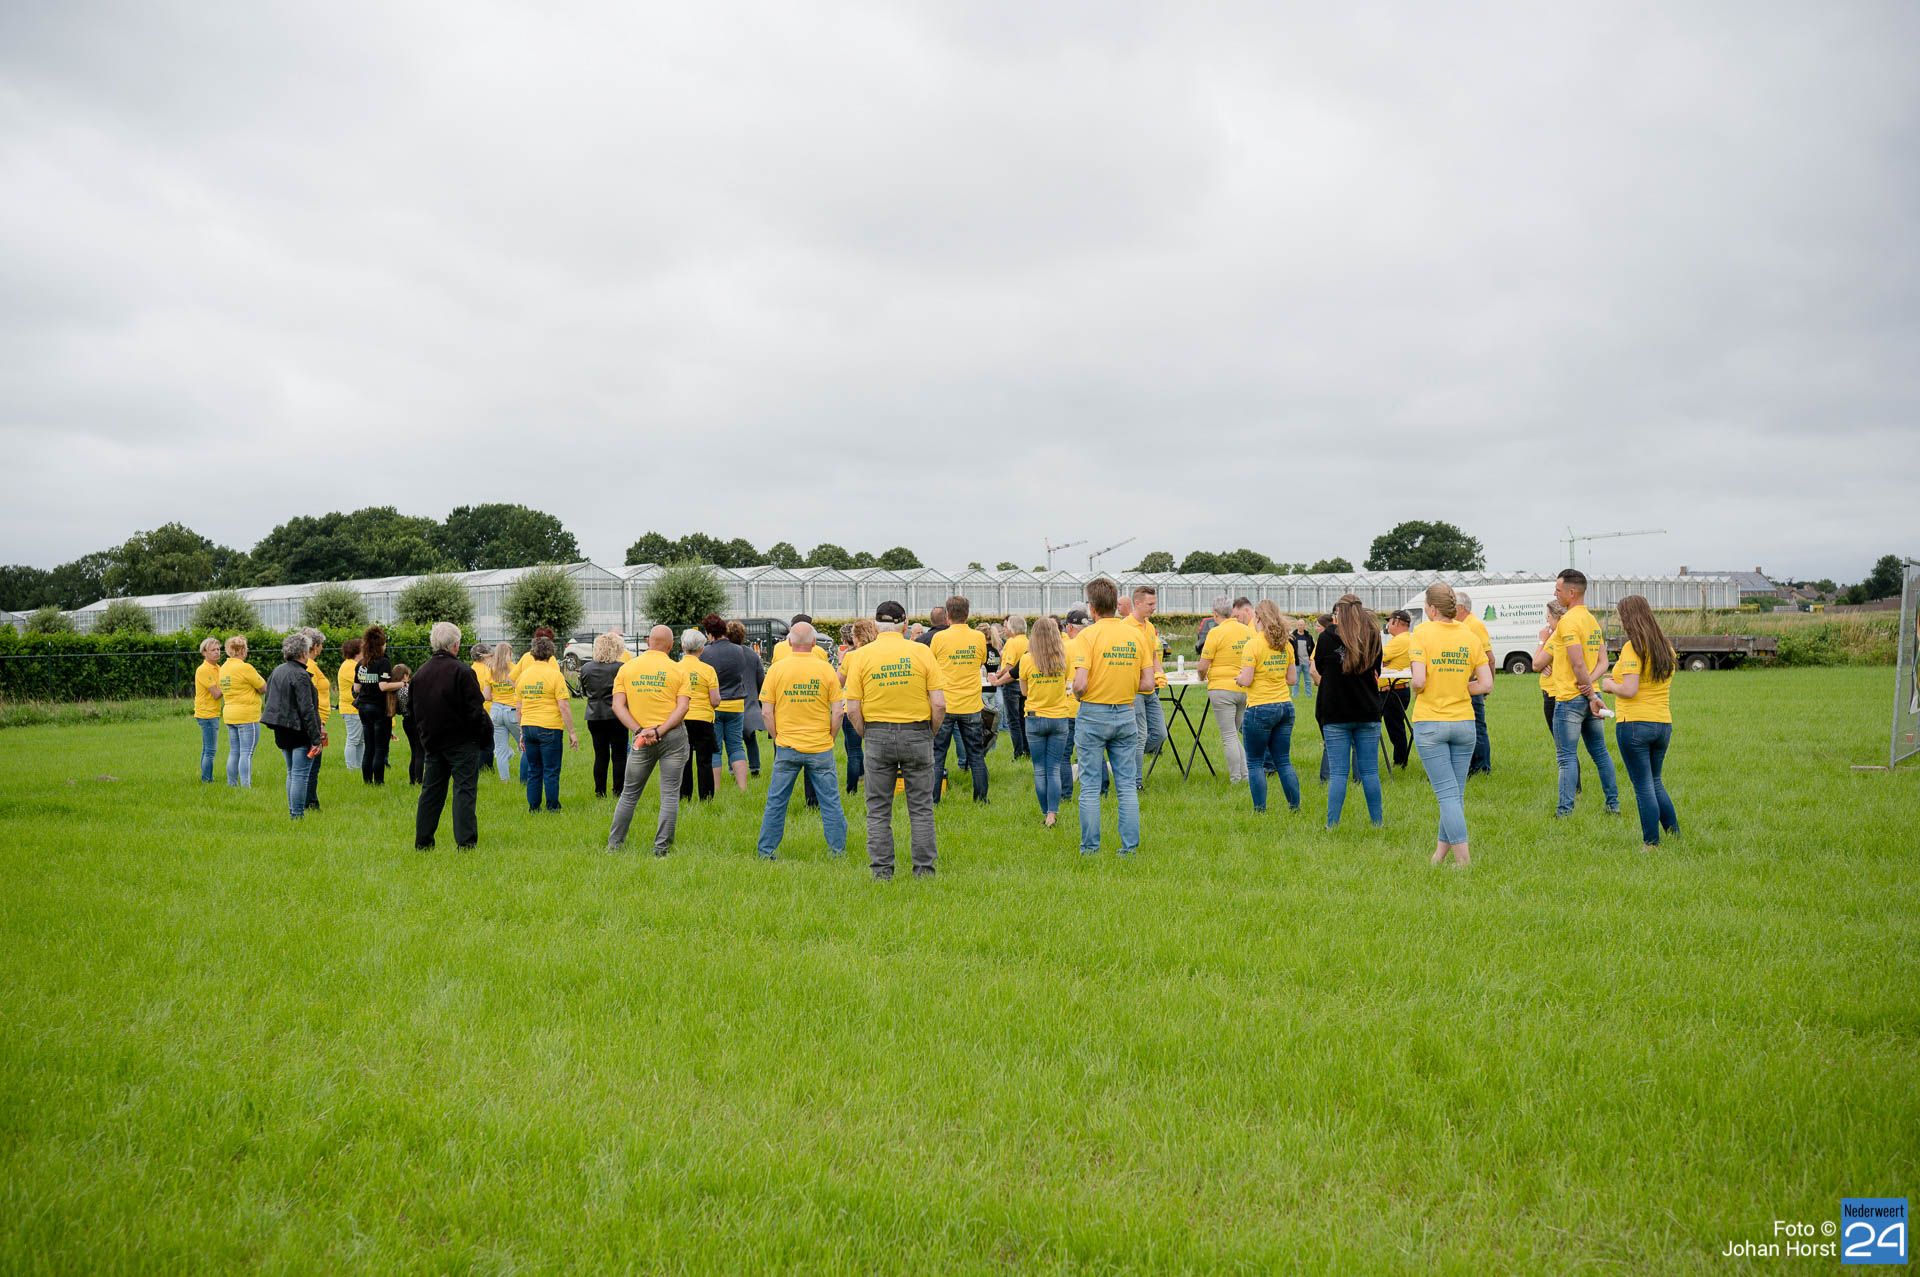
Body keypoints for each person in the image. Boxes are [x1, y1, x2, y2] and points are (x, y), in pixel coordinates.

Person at [843, 600, 944, 881]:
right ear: (905, 624)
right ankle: (924, 872)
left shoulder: (862, 656)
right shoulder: (921, 652)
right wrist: (930, 732)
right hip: (917, 731)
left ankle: (881, 872)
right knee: (921, 808)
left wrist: (866, 733)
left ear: (874, 626)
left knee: (877, 809)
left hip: (877, 733)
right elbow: (939, 703)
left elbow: (852, 708)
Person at [1410, 583, 1492, 867]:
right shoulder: (1470, 635)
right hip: (1464, 723)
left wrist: (1418, 688)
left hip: (1431, 722)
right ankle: (1439, 857)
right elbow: (1486, 684)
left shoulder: (1421, 633)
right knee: (1454, 794)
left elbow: (1418, 680)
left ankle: (1464, 862)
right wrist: (1460, 686)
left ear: (1432, 609)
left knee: (1447, 795)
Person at [1070, 578, 1154, 855]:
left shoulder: (1087, 636)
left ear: (1092, 608)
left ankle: (1090, 849)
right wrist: (1122, 682)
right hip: (1126, 712)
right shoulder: (1136, 635)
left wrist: (1079, 696)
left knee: (1090, 786)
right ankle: (1129, 849)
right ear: (1117, 606)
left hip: (1093, 714)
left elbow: (1080, 683)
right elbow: (1148, 683)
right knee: (1127, 786)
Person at [756, 622, 849, 860]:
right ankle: (837, 853)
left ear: (788, 643)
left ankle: (766, 852)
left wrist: (778, 737)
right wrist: (830, 737)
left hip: (787, 746)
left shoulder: (776, 669)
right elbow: (838, 712)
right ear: (814, 643)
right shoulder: (826, 670)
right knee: (830, 802)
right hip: (820, 747)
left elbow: (766, 712)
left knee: (776, 802)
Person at [1535, 568, 1620, 817]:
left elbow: (1577, 663)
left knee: (1566, 758)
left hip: (1570, 699)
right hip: (1591, 696)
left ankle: (1564, 812)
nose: (1555, 593)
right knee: (1600, 753)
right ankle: (1613, 805)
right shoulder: (1592, 621)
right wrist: (1591, 685)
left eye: (1558, 590)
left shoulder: (1568, 622)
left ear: (1571, 592)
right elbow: (1603, 662)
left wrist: (1587, 689)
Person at [1602, 594, 1680, 849]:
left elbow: (1630, 689)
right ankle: (1674, 836)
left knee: (1643, 786)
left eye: (1620, 616)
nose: (1619, 622)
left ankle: (1651, 844)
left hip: (1634, 724)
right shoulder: (1665, 647)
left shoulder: (1632, 647)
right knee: (1655, 781)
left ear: (1628, 618)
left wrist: (1609, 686)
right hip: (1662, 724)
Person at [606, 625, 692, 855]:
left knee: (629, 794)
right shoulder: (678, 670)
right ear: (671, 645)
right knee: (670, 795)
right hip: (672, 737)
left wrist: (640, 730)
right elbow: (683, 707)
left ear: (647, 642)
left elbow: (617, 706)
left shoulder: (627, 668)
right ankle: (661, 849)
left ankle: (614, 846)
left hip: (641, 739)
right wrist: (660, 731)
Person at [412, 621, 490, 851]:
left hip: (433, 742)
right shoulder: (463, 672)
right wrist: (482, 736)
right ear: (456, 645)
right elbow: (475, 710)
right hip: (462, 742)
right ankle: (465, 843)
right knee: (464, 791)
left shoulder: (420, 673)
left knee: (431, 792)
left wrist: (425, 736)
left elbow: (415, 710)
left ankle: (423, 842)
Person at [1315, 595, 1386, 829]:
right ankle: (1377, 823)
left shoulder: (1326, 637)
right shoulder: (1372, 635)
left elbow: (1320, 668)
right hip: (1368, 710)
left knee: (1338, 773)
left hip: (1335, 712)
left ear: (1338, 613)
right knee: (1370, 772)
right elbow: (1377, 669)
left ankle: (1332, 825)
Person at [1237, 600, 1302, 815]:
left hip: (1260, 707)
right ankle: (1294, 807)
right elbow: (1292, 680)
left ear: (1257, 618)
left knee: (1255, 762)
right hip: (1285, 706)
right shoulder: (1286, 644)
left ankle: (1260, 810)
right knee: (1283, 761)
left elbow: (1246, 679)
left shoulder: (1253, 644)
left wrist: (1239, 678)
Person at [930, 595, 989, 803]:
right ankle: (981, 799)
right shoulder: (978, 637)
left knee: (938, 754)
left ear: (947, 615)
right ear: (967, 614)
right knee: (976, 754)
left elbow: (932, 666)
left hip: (945, 704)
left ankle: (933, 799)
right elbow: (981, 661)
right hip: (971, 704)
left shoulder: (939, 638)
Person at [260, 631, 325, 820]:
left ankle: (293, 811)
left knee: (292, 772)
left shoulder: (277, 671)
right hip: (299, 730)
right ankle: (297, 815)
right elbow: (307, 709)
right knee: (300, 775)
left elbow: (269, 698)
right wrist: (316, 739)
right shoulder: (301, 675)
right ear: (304, 653)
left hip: (281, 728)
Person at [1016, 616, 1074, 826]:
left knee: (1040, 769)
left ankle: (1045, 812)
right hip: (1059, 717)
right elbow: (1067, 683)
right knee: (1054, 768)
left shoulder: (1026, 660)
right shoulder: (1063, 658)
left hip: (1035, 718)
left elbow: (1024, 691)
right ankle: (1052, 813)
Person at [514, 633, 577, 812]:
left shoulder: (523, 676)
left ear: (532, 653)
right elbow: (563, 705)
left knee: (534, 770)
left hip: (528, 726)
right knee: (551, 770)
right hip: (550, 727)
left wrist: (521, 731)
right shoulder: (555, 675)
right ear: (551, 653)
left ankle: (534, 807)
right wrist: (572, 732)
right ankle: (552, 807)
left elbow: (519, 706)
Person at [1196, 596, 1254, 784]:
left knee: (1229, 736)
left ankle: (1236, 778)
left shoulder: (1215, 633)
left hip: (1222, 689)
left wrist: (1202, 677)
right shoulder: (1247, 631)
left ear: (1215, 614)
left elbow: (1202, 666)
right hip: (1243, 688)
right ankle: (1246, 775)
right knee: (1234, 734)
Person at [700, 615, 754, 792]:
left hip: (714, 705)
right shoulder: (739, 650)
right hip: (736, 704)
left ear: (710, 634)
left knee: (715, 749)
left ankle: (715, 788)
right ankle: (743, 788)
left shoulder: (705, 653)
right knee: (736, 746)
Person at [578, 632, 629, 799]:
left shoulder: (586, 668)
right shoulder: (621, 668)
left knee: (600, 755)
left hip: (594, 715)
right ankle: (618, 791)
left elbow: (584, 691)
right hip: (617, 715)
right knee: (619, 755)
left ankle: (600, 791)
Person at [352, 626, 403, 786]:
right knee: (380, 748)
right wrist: (403, 683)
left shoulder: (361, 663)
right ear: (381, 644)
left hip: (363, 708)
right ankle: (379, 782)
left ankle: (367, 781)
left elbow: (356, 688)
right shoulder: (383, 662)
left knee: (369, 747)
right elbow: (383, 686)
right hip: (379, 708)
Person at [1128, 586, 1169, 785]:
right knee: (1140, 735)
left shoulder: (1150, 627)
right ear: (1137, 603)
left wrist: (1159, 673)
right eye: (1150, 604)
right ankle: (1136, 783)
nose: (1154, 607)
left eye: (1155, 603)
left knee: (1161, 733)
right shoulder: (1126, 627)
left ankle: (1124, 757)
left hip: (1150, 689)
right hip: (1135, 689)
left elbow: (1153, 657)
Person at [677, 629, 723, 802]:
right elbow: (715, 700)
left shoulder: (675, 668)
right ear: (702, 649)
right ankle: (706, 798)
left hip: (680, 718)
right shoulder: (708, 670)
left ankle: (684, 796)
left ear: (683, 647)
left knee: (684, 760)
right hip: (703, 719)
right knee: (705, 761)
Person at [1454, 589, 1495, 777]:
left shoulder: (1474, 625)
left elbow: (1489, 657)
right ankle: (1472, 764)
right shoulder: (1461, 625)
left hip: (1474, 682)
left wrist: (1486, 684)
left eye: (1453, 606)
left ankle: (1482, 767)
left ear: (1461, 608)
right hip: (1464, 682)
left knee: (1477, 725)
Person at [835, 619, 878, 794]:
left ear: (857, 636)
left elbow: (839, 681)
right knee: (874, 750)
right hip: (873, 706)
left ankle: (851, 789)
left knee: (853, 750)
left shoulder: (851, 656)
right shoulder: (877, 653)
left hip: (851, 706)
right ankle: (872, 784)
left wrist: (840, 661)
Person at [218, 634, 265, 788]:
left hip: (230, 714)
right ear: (243, 650)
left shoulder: (223, 668)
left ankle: (232, 784)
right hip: (247, 715)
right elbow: (263, 687)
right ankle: (246, 785)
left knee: (234, 751)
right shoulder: (245, 667)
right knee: (247, 752)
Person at [729, 620, 766, 775]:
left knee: (732, 739)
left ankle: (733, 769)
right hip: (750, 701)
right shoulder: (752, 654)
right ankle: (754, 767)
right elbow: (761, 679)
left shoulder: (725, 654)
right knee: (750, 737)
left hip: (731, 700)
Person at [298, 629, 330, 810]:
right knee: (311, 765)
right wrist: (320, 724)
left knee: (311, 765)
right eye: (321, 645)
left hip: (316, 720)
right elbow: (309, 699)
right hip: (314, 721)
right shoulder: (309, 667)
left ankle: (309, 799)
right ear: (315, 646)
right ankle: (309, 801)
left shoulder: (311, 665)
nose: (322, 648)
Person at [1378, 610, 1414, 770]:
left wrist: (1383, 663)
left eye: (1389, 621)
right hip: (1399, 689)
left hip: (1392, 691)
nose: (1388, 625)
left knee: (1395, 729)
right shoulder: (1407, 639)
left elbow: (1378, 658)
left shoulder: (1399, 641)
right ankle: (1400, 760)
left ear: (1396, 622)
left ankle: (1400, 761)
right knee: (1396, 726)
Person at [481, 641, 520, 782]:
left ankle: (505, 781)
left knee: (500, 750)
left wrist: (498, 696)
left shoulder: (491, 671)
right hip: (512, 711)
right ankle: (526, 778)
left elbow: (486, 696)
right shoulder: (515, 669)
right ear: (509, 654)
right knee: (524, 746)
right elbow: (520, 689)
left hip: (496, 711)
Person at [997, 614, 1030, 760]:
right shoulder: (1028, 642)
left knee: (1013, 721)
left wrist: (998, 677)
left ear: (1011, 628)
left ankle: (1018, 753)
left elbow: (1009, 667)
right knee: (1023, 719)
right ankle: (1027, 750)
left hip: (1011, 684)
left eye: (1006, 627)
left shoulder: (1011, 642)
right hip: (1024, 683)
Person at [193, 636, 223, 783]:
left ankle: (206, 778)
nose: (217, 652)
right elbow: (216, 693)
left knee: (207, 749)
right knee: (210, 750)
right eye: (213, 650)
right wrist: (231, 686)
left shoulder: (218, 668)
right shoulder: (203, 670)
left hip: (213, 713)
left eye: (218, 649)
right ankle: (207, 780)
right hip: (207, 714)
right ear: (204, 653)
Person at [392, 663, 424, 785]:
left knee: (414, 751)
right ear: (405, 676)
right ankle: (419, 780)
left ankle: (412, 780)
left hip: (406, 720)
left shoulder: (395, 690)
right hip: (414, 720)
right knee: (420, 752)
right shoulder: (405, 690)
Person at [336, 637, 363, 771]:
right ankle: (352, 767)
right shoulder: (349, 666)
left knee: (360, 740)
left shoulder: (353, 665)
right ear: (357, 651)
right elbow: (361, 683)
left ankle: (359, 766)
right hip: (351, 709)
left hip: (356, 708)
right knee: (353, 739)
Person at [1291, 622, 1316, 700]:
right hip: (1297, 662)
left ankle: (1309, 696)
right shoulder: (1292, 637)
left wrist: (1311, 659)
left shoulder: (1309, 637)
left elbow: (1313, 649)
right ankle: (1294, 696)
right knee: (1296, 681)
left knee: (1308, 681)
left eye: (1301, 625)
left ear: (1304, 626)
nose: (1300, 626)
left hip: (1307, 662)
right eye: (1298, 625)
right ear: (1296, 625)